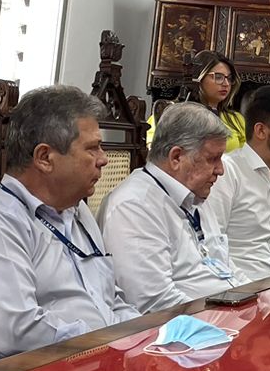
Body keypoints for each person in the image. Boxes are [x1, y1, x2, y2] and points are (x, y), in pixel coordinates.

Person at [0, 85, 139, 368]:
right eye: (92, 148)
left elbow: (111, 300)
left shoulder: (76, 211)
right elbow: (17, 332)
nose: (104, 159)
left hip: (91, 366)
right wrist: (111, 343)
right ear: (44, 158)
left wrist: (147, 337)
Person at [98, 101, 233, 313]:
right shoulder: (134, 206)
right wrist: (224, 321)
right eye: (212, 159)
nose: (220, 170)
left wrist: (257, 304)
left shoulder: (194, 195)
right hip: (191, 326)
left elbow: (227, 271)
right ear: (176, 157)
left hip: (225, 314)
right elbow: (153, 303)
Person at [204, 84, 270, 282]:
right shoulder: (226, 173)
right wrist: (252, 291)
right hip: (236, 290)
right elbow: (210, 250)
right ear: (261, 130)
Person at [148, 50, 246, 151]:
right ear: (199, 78)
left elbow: (247, 156)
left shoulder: (236, 120)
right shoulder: (169, 115)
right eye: (218, 77)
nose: (226, 83)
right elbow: (157, 153)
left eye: (229, 78)